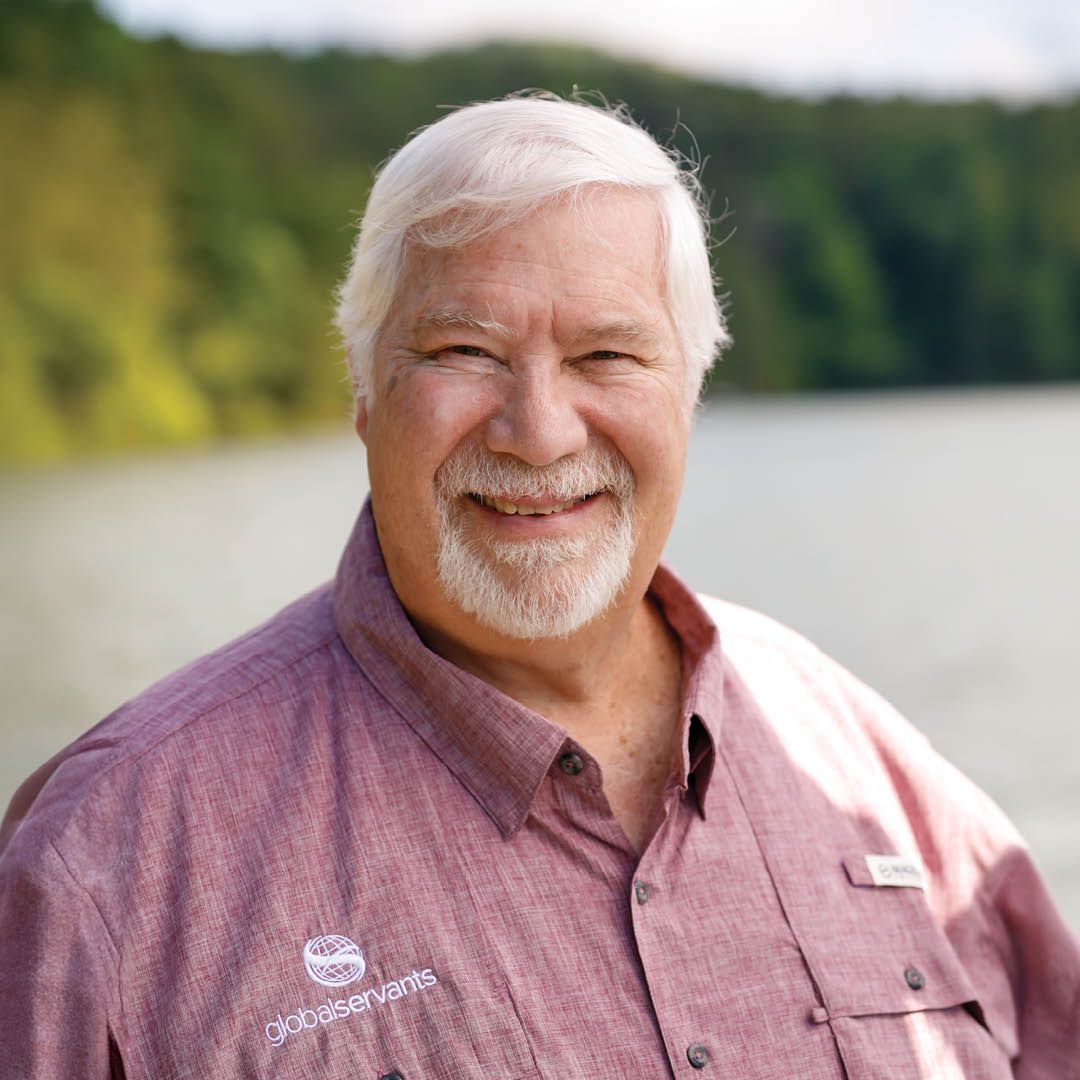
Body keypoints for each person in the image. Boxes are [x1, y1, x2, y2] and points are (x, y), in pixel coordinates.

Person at [0, 93, 1076, 1079]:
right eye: (465, 350)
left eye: (608, 356)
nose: (540, 431)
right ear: (365, 391)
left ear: (689, 389)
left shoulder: (858, 759)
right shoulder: (110, 860)